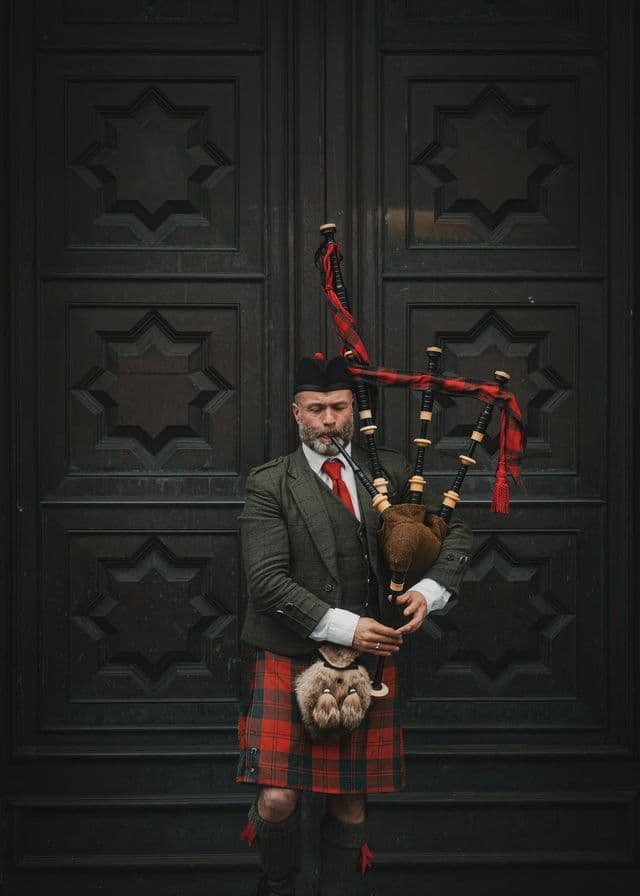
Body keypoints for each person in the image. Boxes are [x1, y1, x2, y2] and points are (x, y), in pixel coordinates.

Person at [237, 354, 472, 895]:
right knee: (276, 798)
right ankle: (276, 885)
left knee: (348, 801)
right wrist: (346, 627)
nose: (328, 421)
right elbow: (267, 584)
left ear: (353, 410)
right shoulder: (271, 485)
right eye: (316, 409)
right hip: (289, 654)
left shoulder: (388, 471)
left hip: (370, 664)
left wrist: (428, 591)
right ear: (296, 413)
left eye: (338, 408)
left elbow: (455, 531)